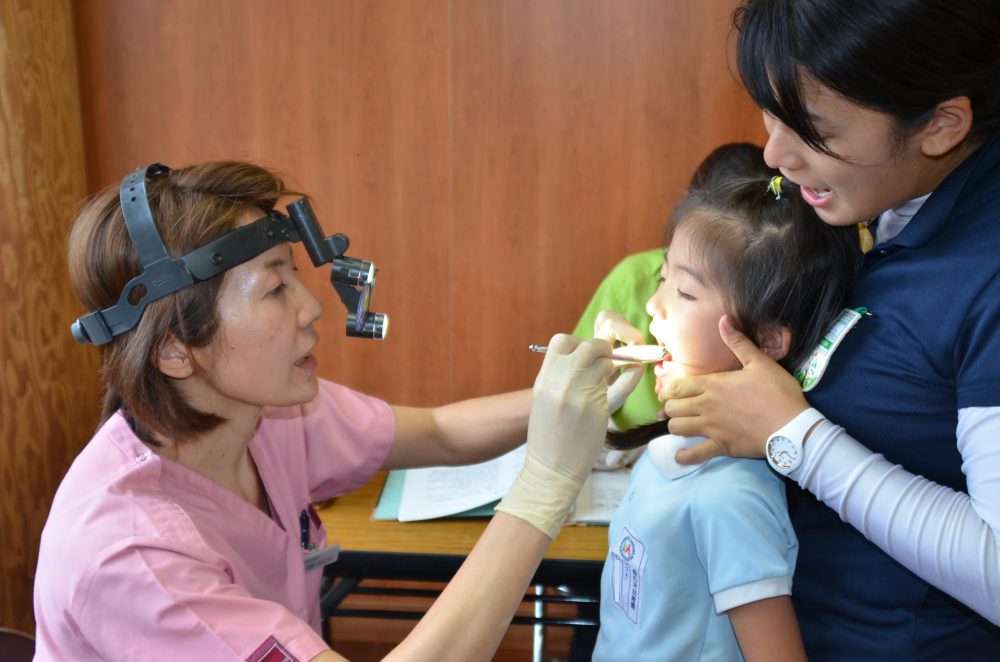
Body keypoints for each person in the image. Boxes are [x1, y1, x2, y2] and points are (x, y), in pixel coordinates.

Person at [33, 161, 639, 661]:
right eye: (275, 289)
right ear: (174, 350)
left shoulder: (265, 417)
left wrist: (572, 393)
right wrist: (544, 487)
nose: (312, 307)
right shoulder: (134, 559)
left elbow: (441, 433)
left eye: (294, 277)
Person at [658, 1, 1000, 658]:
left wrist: (794, 438)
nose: (775, 154)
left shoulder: (983, 271)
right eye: (771, 113)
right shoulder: (889, 207)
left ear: (941, 125)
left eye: (813, 131)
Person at [589, 174, 860, 661]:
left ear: (768, 340)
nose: (653, 305)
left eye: (685, 293)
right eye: (663, 280)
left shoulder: (731, 496)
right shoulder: (667, 452)